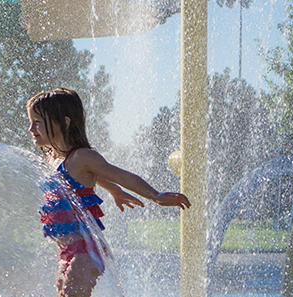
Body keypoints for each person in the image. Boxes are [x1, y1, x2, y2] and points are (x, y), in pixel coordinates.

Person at [26, 88, 191, 297]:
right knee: (63, 292)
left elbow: (121, 175)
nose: (31, 128)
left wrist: (155, 196)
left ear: (64, 122)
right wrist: (114, 191)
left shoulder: (82, 157)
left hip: (85, 250)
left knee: (71, 293)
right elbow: (87, 179)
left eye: (38, 122)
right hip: (66, 250)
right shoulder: (53, 158)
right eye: (31, 122)